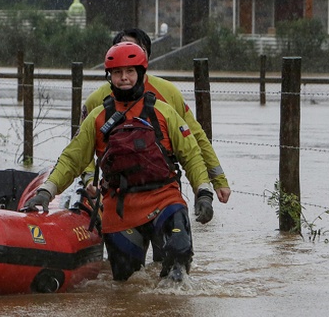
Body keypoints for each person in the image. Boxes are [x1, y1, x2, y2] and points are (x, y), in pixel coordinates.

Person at [24, 42, 214, 282]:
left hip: (164, 200)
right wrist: (46, 191)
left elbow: (191, 155)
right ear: (110, 77)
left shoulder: (164, 112)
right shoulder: (97, 118)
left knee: (180, 255)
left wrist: (204, 192)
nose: (124, 78)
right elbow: (72, 159)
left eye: (130, 72)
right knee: (126, 285)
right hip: (120, 208)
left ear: (141, 74)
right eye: (117, 73)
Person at [82, 29, 231, 206]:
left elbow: (196, 139)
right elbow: (81, 148)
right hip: (115, 192)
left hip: (163, 189)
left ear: (147, 57)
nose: (129, 54)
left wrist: (217, 180)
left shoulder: (169, 93)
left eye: (137, 49)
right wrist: (90, 179)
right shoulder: (96, 101)